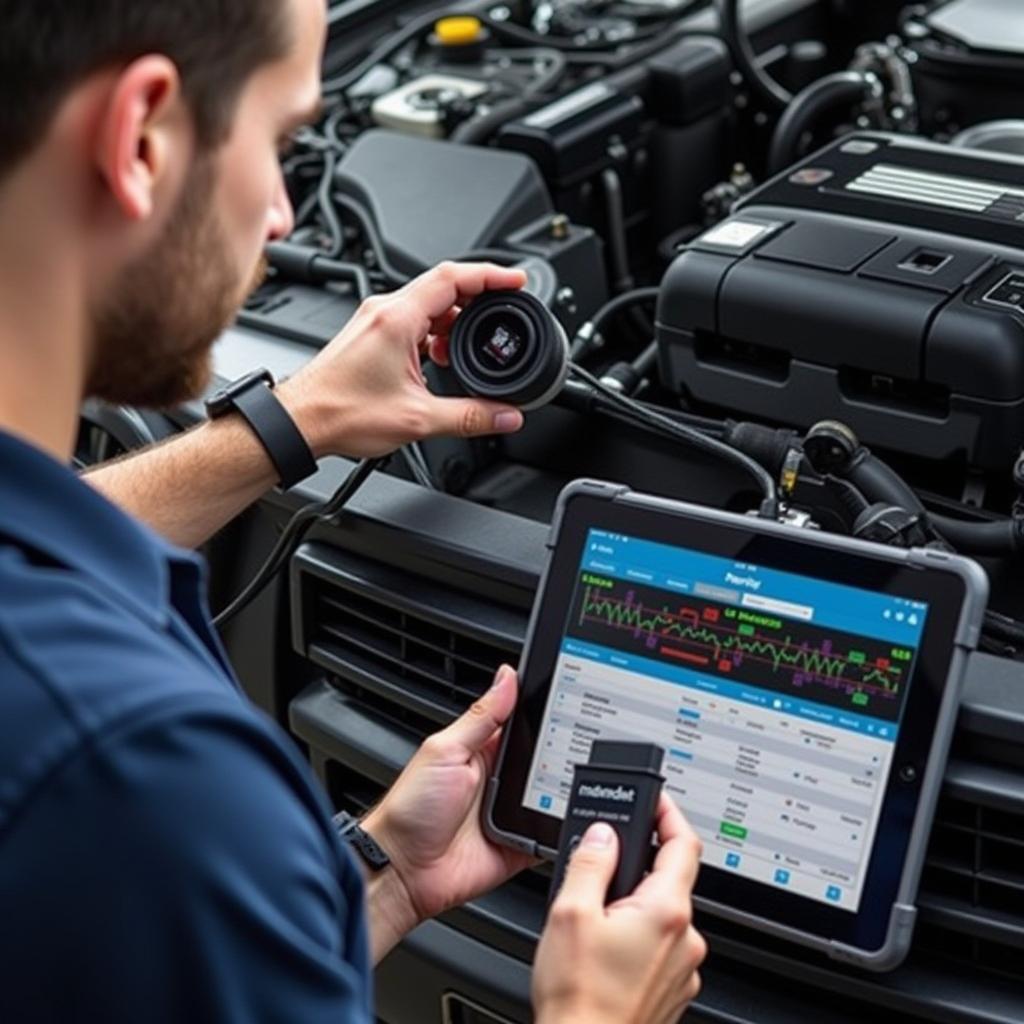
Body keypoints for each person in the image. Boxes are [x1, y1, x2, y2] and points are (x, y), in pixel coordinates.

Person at [0, 1, 707, 1021]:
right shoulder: (141, 775)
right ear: (143, 138)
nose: (286, 213)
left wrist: (385, 879)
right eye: (283, 139)